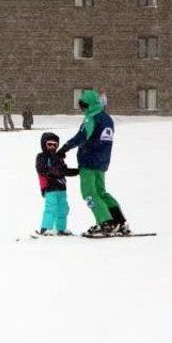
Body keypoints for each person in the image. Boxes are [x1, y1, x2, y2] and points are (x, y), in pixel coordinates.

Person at [57, 90, 129, 236]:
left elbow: (82, 136)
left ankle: (104, 222)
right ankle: (118, 221)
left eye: (83, 105)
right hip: (102, 162)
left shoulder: (91, 118)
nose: (82, 109)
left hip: (89, 161)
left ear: (89, 105)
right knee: (101, 193)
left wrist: (66, 147)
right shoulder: (107, 118)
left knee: (89, 193)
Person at [34, 132, 79, 236]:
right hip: (50, 187)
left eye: (55, 145)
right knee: (51, 208)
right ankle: (46, 228)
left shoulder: (59, 157)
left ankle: (61, 228)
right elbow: (42, 169)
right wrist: (55, 171)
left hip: (61, 188)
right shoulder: (41, 157)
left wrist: (77, 171)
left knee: (63, 208)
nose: (52, 147)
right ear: (44, 144)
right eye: (49, 144)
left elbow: (64, 171)